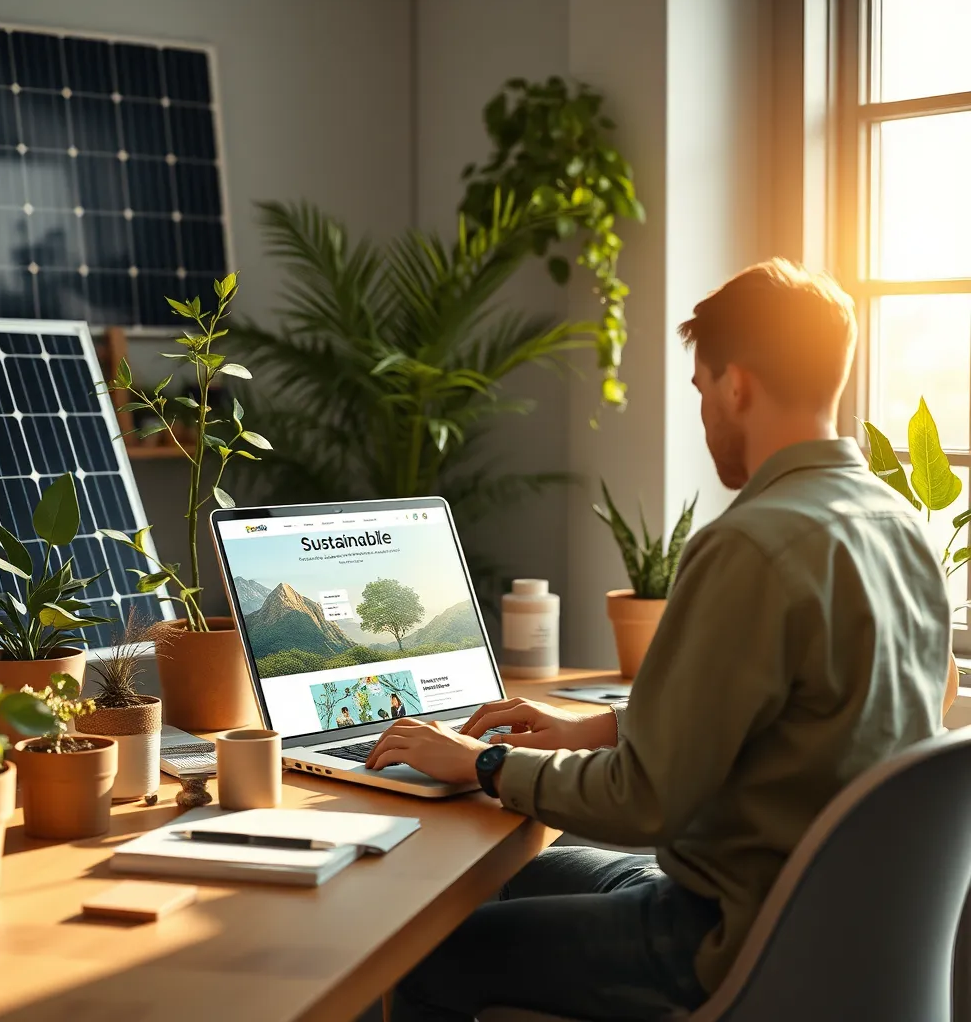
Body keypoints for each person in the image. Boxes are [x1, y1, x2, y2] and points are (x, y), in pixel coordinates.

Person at [364, 259, 952, 1021]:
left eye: (702, 390)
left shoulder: (751, 543)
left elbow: (645, 803)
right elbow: (818, 717)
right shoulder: (900, 528)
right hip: (839, 932)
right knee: (525, 875)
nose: (705, 413)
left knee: (429, 952)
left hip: (720, 940)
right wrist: (595, 727)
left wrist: (485, 761)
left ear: (736, 385)